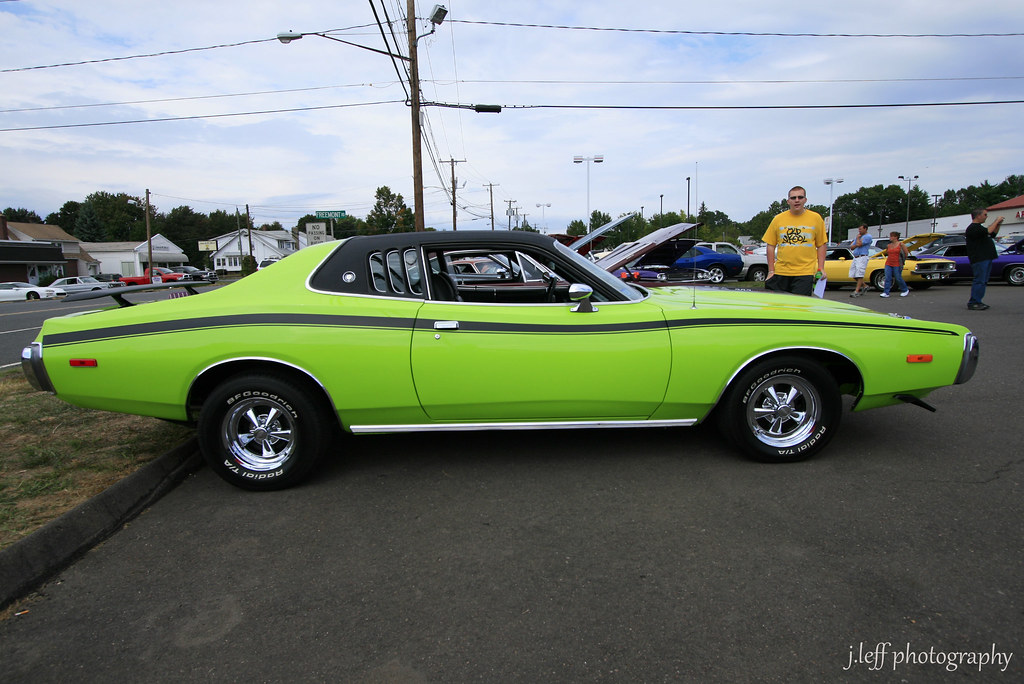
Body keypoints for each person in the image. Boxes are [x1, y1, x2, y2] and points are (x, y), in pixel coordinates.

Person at [762, 186, 827, 296]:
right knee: (777, 308)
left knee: (799, 308)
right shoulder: (778, 219)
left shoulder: (816, 218)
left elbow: (821, 245)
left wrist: (821, 268)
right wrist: (771, 270)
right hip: (781, 272)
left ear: (805, 200)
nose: (797, 200)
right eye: (793, 198)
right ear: (788, 201)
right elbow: (771, 245)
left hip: (804, 273)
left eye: (800, 197)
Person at [964, 207, 1004, 310]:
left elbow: (992, 233)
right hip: (979, 259)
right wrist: (996, 220)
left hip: (986, 258)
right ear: (978, 216)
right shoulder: (973, 228)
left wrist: (998, 224)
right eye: (985, 215)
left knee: (983, 281)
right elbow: (989, 230)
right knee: (979, 280)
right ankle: (974, 302)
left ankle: (978, 300)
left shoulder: (980, 228)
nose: (986, 217)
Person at [879, 231, 909, 298]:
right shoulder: (889, 245)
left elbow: (906, 253)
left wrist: (903, 260)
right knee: (887, 277)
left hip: (897, 263)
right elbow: (887, 252)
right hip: (889, 263)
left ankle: (905, 289)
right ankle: (886, 292)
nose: (890, 238)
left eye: (892, 236)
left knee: (898, 277)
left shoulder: (901, 244)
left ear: (896, 237)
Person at [848, 224, 873, 297]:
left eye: (861, 229)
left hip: (862, 257)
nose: (859, 231)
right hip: (855, 257)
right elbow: (852, 247)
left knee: (859, 275)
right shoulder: (858, 236)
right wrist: (857, 240)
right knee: (853, 274)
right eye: (859, 229)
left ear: (865, 229)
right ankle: (865, 286)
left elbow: (859, 244)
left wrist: (858, 239)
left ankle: (856, 291)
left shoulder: (868, 237)